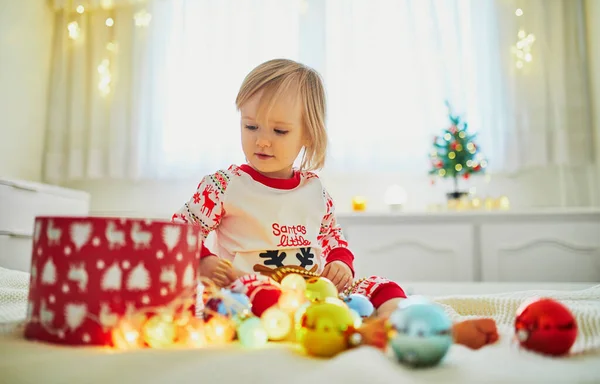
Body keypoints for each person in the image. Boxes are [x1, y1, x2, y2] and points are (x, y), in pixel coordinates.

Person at [172, 59, 498, 350]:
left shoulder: (314, 190)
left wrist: (340, 262)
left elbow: (331, 236)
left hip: (316, 289)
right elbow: (181, 228)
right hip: (251, 289)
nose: (262, 140)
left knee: (383, 286)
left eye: (280, 130)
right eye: (251, 126)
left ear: (308, 136)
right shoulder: (225, 186)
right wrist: (203, 259)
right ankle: (357, 333)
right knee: (257, 299)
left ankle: (407, 326)